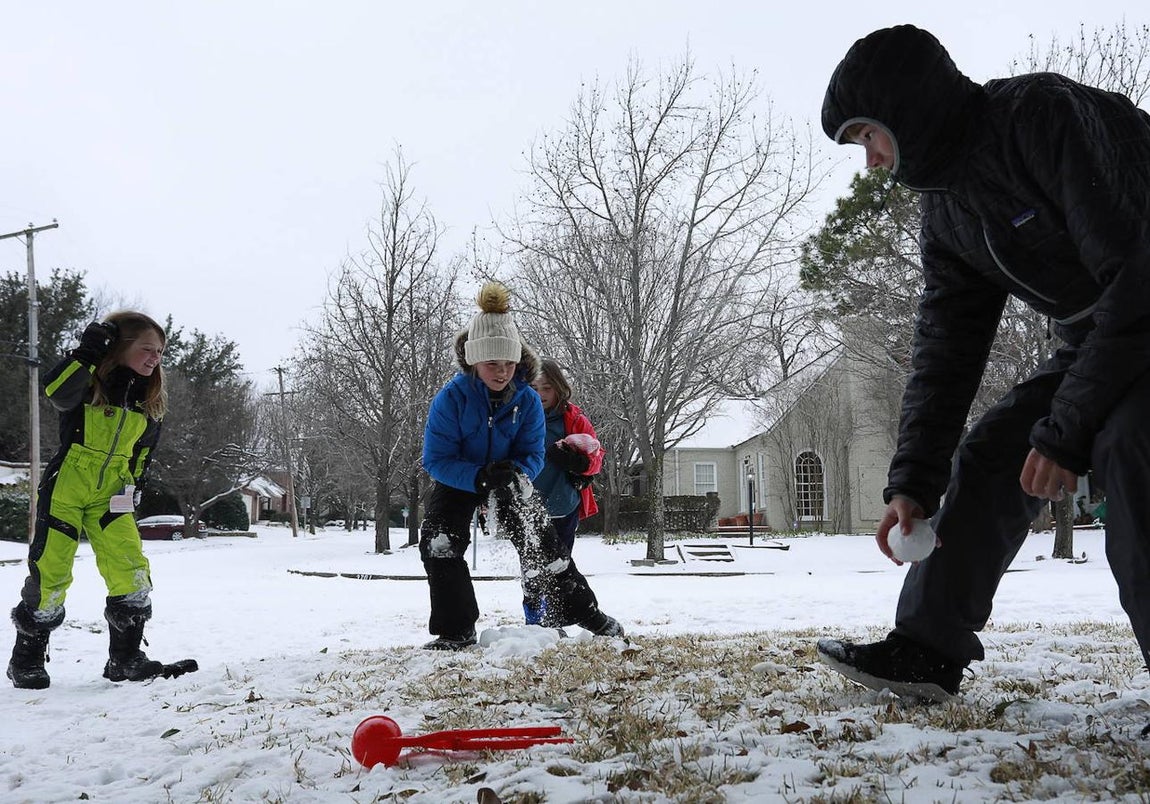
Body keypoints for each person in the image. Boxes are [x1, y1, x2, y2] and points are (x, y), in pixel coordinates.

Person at [815, 25, 1150, 703]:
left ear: (909, 110)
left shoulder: (1042, 118)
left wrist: (1068, 430)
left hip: (1142, 303)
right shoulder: (948, 208)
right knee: (999, 450)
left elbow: (1137, 280)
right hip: (1104, 336)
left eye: (870, 137)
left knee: (1129, 445)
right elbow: (947, 349)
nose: (873, 161)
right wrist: (912, 481)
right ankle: (926, 651)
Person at [419, 281, 624, 650]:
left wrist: (515, 473)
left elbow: (533, 452)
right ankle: (456, 628)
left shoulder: (527, 400)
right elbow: (436, 459)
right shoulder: (450, 399)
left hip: (510, 477)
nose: (502, 372)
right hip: (460, 477)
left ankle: (587, 613)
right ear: (473, 361)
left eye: (509, 363)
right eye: (492, 364)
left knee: (543, 542)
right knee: (439, 541)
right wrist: (477, 477)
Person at [8, 312, 197, 689]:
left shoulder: (148, 401)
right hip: (68, 486)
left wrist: (135, 485)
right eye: (147, 348)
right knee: (52, 571)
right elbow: (55, 391)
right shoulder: (86, 383)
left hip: (114, 492)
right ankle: (25, 660)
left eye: (160, 351)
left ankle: (125, 660)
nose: (155, 357)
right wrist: (89, 349)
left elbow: (142, 452)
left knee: (131, 568)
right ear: (121, 347)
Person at [522, 358, 605, 625]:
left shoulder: (573, 418)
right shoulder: (519, 417)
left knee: (559, 567)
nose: (540, 394)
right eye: (534, 388)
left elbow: (596, 455)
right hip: (527, 508)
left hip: (563, 506)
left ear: (559, 387)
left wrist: (582, 465)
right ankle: (533, 622)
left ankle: (556, 620)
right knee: (531, 569)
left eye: (546, 388)